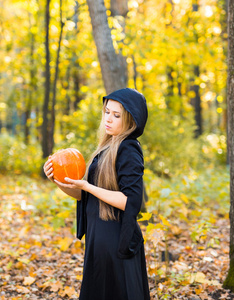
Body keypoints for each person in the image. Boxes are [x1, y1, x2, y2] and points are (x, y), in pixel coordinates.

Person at [43, 88, 150, 300]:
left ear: (130, 120)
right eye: (107, 112)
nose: (108, 119)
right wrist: (58, 181)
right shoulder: (108, 145)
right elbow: (85, 197)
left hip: (116, 239)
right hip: (98, 236)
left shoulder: (128, 149)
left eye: (116, 115)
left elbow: (130, 202)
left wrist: (87, 186)